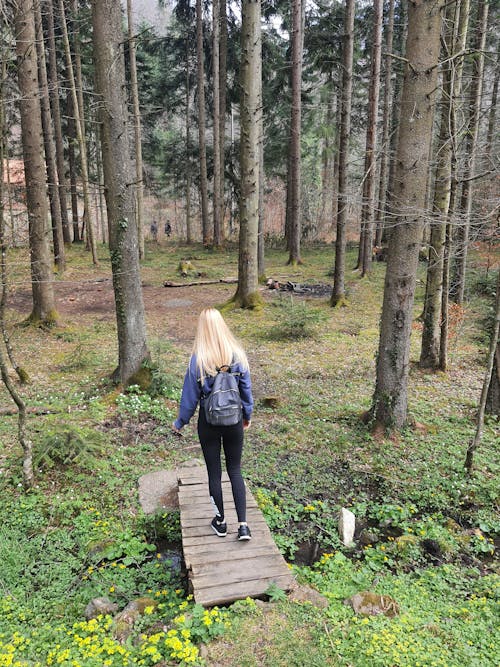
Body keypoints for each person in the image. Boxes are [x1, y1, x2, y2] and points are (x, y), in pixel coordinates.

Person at [172, 308, 254, 541]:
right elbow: (246, 390)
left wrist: (180, 422)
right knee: (235, 471)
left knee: (214, 474)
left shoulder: (198, 360)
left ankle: (221, 522)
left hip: (208, 423)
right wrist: (247, 414)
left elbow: (189, 398)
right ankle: (244, 526)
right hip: (234, 421)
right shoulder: (237, 355)